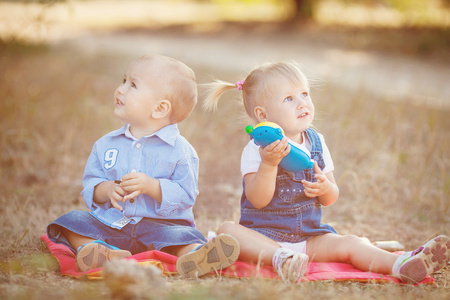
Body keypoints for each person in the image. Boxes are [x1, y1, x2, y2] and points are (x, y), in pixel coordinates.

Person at [202, 60, 450, 283]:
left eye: (304, 94)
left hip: (310, 238)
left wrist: (325, 188)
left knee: (351, 243)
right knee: (227, 230)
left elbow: (331, 197)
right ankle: (282, 260)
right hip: (266, 239)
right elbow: (258, 200)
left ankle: (402, 264)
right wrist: (269, 164)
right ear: (263, 115)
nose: (302, 103)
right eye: (289, 99)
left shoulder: (316, 141)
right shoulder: (256, 149)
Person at [47, 54, 239, 277]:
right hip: (113, 224)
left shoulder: (181, 151)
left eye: (133, 85)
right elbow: (91, 184)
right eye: (123, 80)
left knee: (184, 235)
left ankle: (195, 254)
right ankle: (98, 251)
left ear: (159, 109)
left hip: (161, 227)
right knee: (71, 221)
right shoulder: (106, 145)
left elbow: (186, 195)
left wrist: (152, 187)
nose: (120, 89)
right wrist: (107, 189)